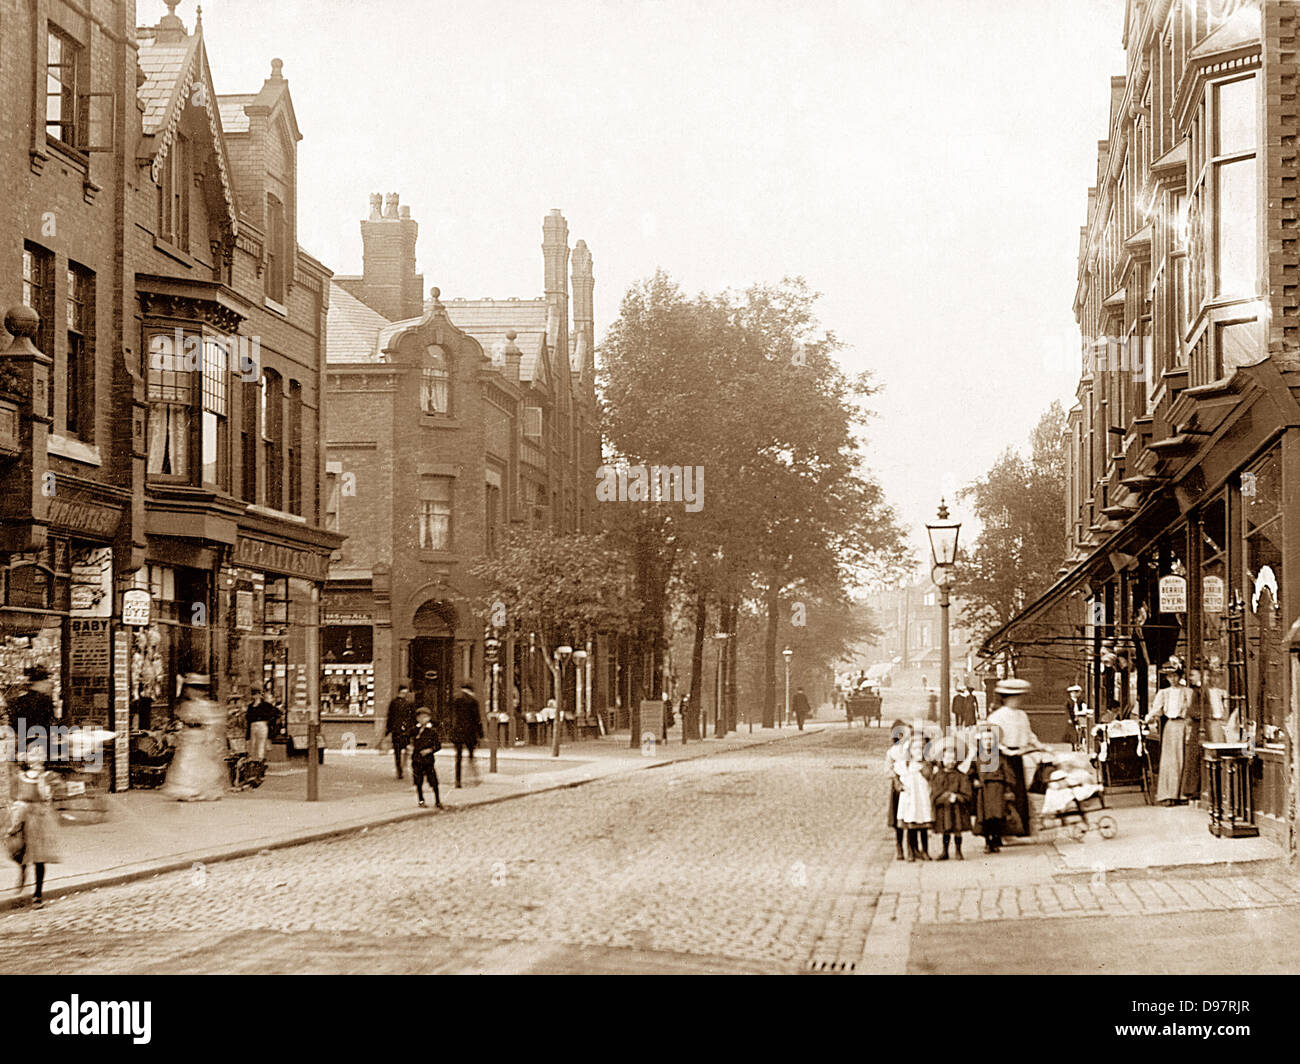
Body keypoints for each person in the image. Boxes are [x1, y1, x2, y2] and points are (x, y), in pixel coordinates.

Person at [985, 678, 1044, 840]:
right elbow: (993, 740)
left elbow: (1029, 734)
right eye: (1014, 697)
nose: (1018, 700)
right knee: (1005, 794)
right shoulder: (996, 717)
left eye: (1019, 697)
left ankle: (1019, 830)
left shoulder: (1022, 715)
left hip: (1018, 758)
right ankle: (1004, 831)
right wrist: (1006, 751)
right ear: (1006, 698)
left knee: (1020, 792)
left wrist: (1040, 745)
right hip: (1002, 759)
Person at [10, 739, 61, 908]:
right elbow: (13, 796)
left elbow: (48, 797)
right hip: (22, 818)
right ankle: (22, 871)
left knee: (39, 858)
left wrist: (44, 783)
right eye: (33, 754)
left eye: (40, 754)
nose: (37, 758)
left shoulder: (46, 777)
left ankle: (37, 894)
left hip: (39, 820)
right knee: (18, 851)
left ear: (44, 758)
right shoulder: (20, 776)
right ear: (27, 758)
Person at [161, 674, 227, 801]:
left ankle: (198, 790)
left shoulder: (205, 705)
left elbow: (212, 721)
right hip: (189, 736)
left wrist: (209, 735)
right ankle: (187, 789)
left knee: (197, 762)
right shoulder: (188, 705)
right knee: (186, 762)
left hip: (199, 736)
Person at [1145, 656, 1200, 805]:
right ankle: (1168, 794)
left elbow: (1192, 710)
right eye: (1170, 677)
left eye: (1175, 676)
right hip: (1170, 726)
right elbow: (1156, 710)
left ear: (1180, 676)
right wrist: (1148, 718)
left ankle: (1183, 794)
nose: (1172, 679)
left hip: (1184, 726)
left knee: (1183, 758)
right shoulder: (1164, 693)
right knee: (1170, 761)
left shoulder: (1188, 692)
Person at [969, 724, 1015, 853]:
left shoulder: (1000, 758)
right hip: (984, 791)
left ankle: (996, 839)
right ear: (981, 742)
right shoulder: (977, 758)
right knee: (985, 817)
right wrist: (974, 780)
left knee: (997, 816)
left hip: (998, 790)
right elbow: (970, 773)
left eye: (990, 739)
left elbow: (1009, 775)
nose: (988, 742)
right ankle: (987, 842)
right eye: (985, 740)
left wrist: (1007, 789)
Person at [931, 742, 973, 860]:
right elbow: (935, 792)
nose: (951, 761)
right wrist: (945, 796)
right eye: (948, 758)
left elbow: (967, 794)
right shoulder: (938, 776)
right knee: (946, 829)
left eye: (953, 758)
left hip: (957, 808)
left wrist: (957, 797)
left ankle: (958, 851)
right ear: (942, 759)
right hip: (944, 807)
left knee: (957, 829)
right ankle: (945, 851)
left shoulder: (961, 776)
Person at [895, 734, 934, 861]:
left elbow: (930, 777)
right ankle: (911, 850)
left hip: (922, 798)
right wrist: (900, 785)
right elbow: (897, 777)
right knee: (911, 824)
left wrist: (922, 767)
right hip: (910, 798)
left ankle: (925, 850)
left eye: (921, 748)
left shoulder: (926, 765)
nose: (919, 751)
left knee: (922, 824)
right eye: (915, 748)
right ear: (910, 751)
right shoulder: (905, 765)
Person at [9, 666, 56, 761]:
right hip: (42, 745)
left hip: (23, 743)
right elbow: (50, 723)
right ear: (41, 683)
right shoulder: (45, 700)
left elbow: (14, 724)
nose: (49, 684)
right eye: (46, 681)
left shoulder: (19, 700)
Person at [885, 720, 913, 861]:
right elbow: (888, 770)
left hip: (912, 785)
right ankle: (899, 847)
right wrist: (897, 780)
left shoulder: (913, 749)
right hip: (899, 788)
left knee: (912, 817)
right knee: (899, 819)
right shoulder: (892, 752)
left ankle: (911, 848)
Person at [449, 682, 483, 788]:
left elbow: (451, 717)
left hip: (458, 732)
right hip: (470, 732)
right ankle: (474, 778)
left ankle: (457, 780)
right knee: (471, 756)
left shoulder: (456, 700)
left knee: (458, 758)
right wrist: (481, 734)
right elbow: (477, 719)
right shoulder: (473, 701)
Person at [410, 706, 443, 809]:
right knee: (418, 781)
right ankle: (421, 800)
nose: (422, 719)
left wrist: (429, 750)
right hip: (417, 759)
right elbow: (407, 738)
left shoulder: (432, 731)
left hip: (428, 760)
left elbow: (438, 745)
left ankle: (437, 801)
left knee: (433, 781)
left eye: (425, 717)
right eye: (420, 717)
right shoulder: (415, 730)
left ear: (429, 718)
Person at [384, 684, 415, 780]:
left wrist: (388, 730)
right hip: (403, 731)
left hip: (397, 731)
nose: (404, 694)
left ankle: (400, 769)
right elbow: (411, 718)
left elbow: (390, 717)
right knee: (404, 749)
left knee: (398, 752)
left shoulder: (394, 703)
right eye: (404, 692)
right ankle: (402, 767)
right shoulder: (407, 703)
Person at [245, 687, 278, 762]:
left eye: (256, 694)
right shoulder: (251, 706)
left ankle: (260, 759)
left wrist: (269, 721)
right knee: (253, 743)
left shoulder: (265, 705)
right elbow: (248, 719)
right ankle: (254, 759)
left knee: (261, 742)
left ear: (260, 695)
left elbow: (276, 712)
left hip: (262, 725)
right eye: (253, 694)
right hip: (254, 725)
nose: (255, 696)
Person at [1065, 684, 1091, 752]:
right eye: (1075, 692)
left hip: (1079, 717)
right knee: (1073, 733)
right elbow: (1067, 710)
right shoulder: (1068, 701)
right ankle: (1074, 745)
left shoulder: (1080, 701)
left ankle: (1080, 744)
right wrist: (1069, 718)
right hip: (1072, 718)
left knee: (1081, 731)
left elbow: (1083, 707)